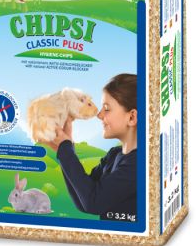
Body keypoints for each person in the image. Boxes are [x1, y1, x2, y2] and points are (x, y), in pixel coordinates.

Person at [47, 74, 137, 220]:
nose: (99, 115)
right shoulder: (114, 155)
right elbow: (83, 200)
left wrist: (65, 150)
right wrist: (65, 149)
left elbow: (93, 202)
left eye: (106, 109)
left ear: (131, 117)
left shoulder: (139, 165)